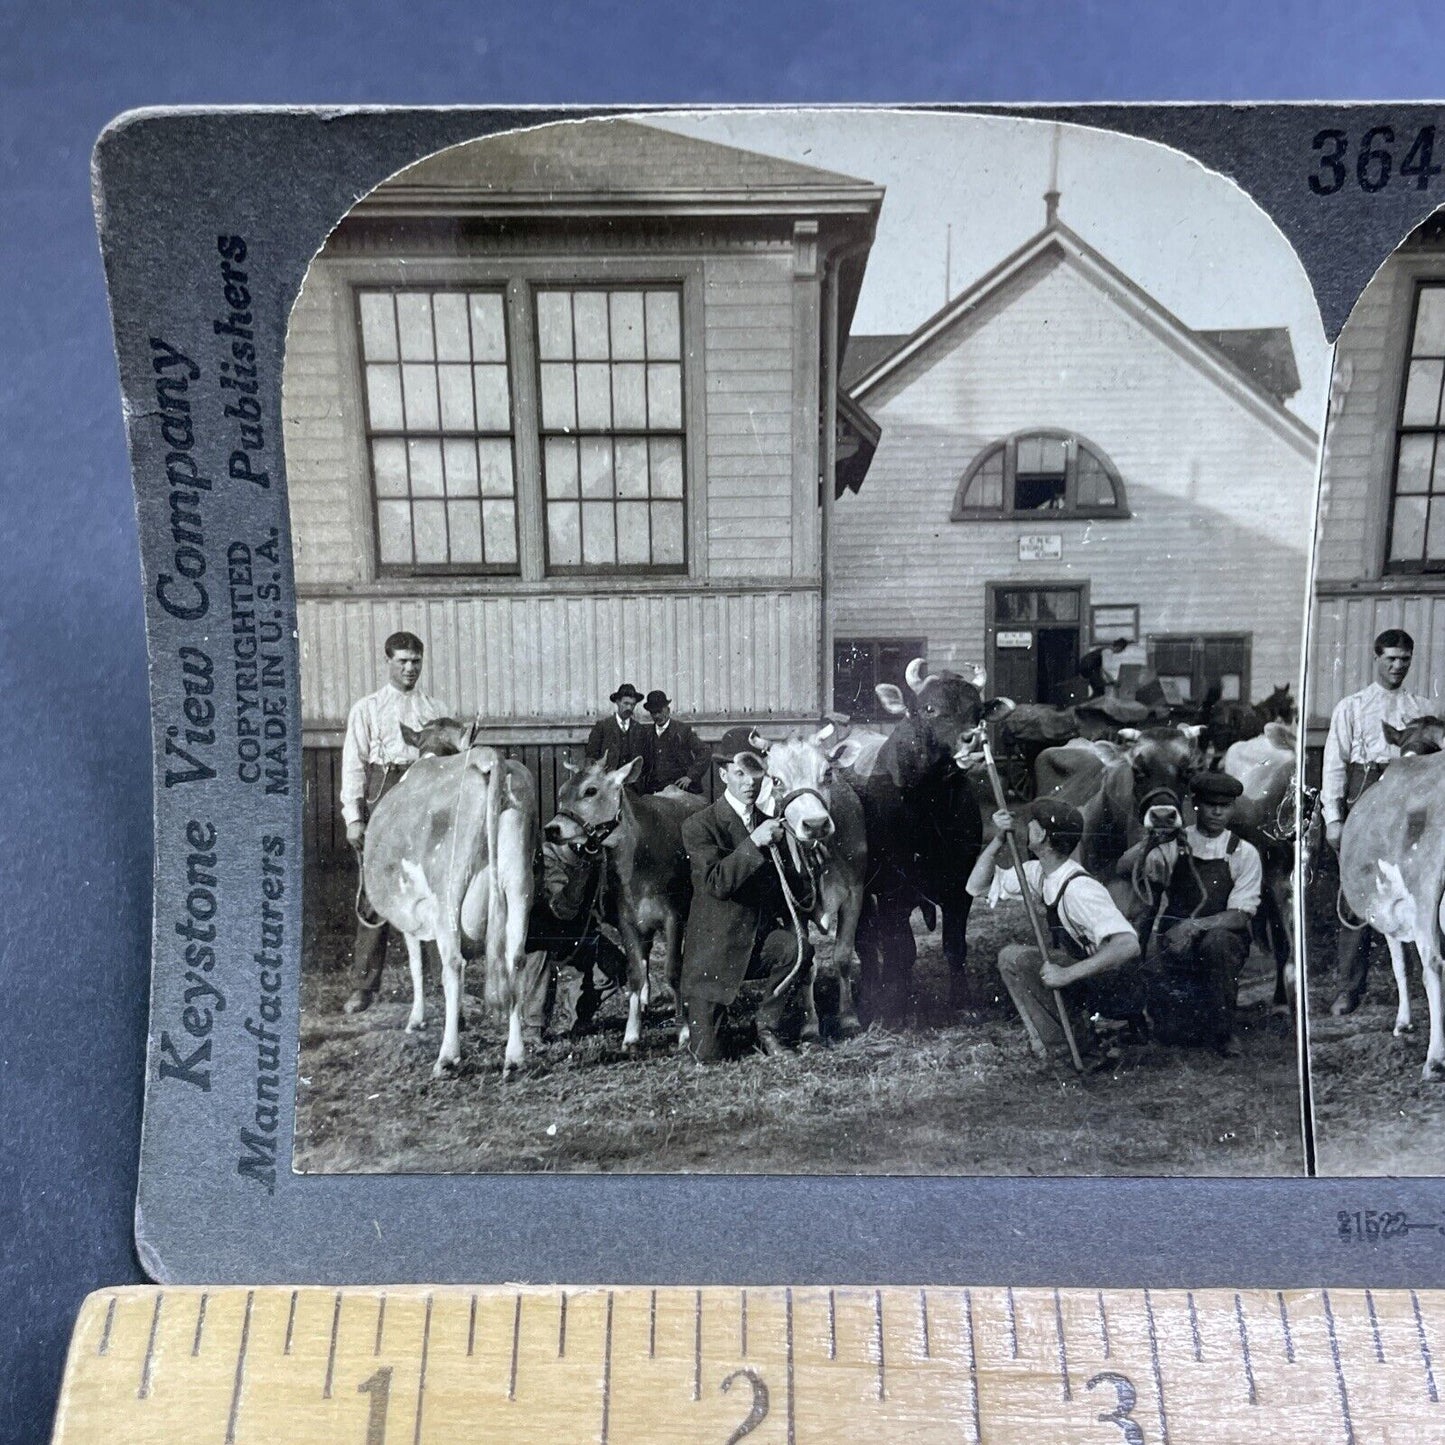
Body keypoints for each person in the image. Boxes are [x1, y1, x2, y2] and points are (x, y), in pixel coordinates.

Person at [967, 797, 1144, 1065]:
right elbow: (977, 886)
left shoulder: (1080, 889)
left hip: (1114, 984)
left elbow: (1128, 945)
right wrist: (999, 839)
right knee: (1012, 957)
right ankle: (1060, 1044)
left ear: (1044, 835)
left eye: (1032, 824)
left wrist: (1067, 974)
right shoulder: (1041, 872)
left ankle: (1075, 1047)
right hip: (1088, 973)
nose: (1026, 828)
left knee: (1022, 959)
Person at [678, 727, 814, 1063]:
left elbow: (794, 894)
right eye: (740, 773)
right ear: (723, 774)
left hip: (757, 942)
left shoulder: (774, 824)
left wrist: (805, 857)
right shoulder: (700, 825)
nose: (750, 782)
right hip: (714, 954)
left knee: (797, 949)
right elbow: (715, 884)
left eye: (757, 773)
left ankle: (768, 1027)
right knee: (707, 1059)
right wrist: (754, 843)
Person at [1322, 628, 1428, 1015]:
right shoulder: (1352, 707)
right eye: (1391, 659)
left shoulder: (1421, 707)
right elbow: (1334, 766)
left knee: (1422, 891)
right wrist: (1334, 820)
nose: (1398, 666)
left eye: (1405, 659)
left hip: (1411, 804)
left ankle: (1426, 986)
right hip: (1365, 799)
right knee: (1356, 895)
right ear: (1376, 657)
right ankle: (1349, 988)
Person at [339, 630, 444, 1014]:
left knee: (432, 888)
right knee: (374, 891)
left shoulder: (435, 709)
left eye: (416, 661)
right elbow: (353, 766)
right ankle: (364, 986)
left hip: (424, 799)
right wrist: (354, 818)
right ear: (388, 662)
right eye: (402, 661)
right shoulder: (367, 709)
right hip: (383, 798)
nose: (409, 668)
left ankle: (442, 984)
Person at [1123, 772, 1261, 1055]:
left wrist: (1194, 926)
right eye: (1211, 805)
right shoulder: (1177, 842)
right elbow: (1123, 867)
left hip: (1221, 939)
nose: (1218, 812)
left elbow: (1240, 915)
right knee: (1171, 1034)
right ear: (1196, 805)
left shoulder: (1243, 852)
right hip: (1175, 940)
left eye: (1225, 806)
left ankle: (1224, 1033)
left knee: (1218, 942)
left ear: (1233, 808)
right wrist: (1150, 843)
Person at [641, 689, 710, 793]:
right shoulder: (647, 734)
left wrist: (690, 776)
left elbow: (705, 751)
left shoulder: (682, 730)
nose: (657, 716)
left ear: (667, 710)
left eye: (659, 711)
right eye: (653, 712)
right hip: (655, 791)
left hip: (681, 789)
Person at [585, 682, 650, 785]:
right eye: (626, 703)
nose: (629, 708)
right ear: (618, 702)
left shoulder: (639, 729)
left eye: (632, 704)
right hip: (607, 785)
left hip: (632, 786)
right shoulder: (602, 726)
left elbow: (645, 761)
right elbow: (591, 758)